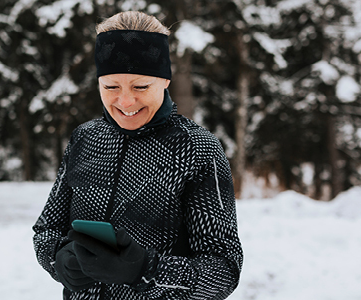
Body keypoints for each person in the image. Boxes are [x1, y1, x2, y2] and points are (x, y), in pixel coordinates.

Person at [33, 11, 243, 300]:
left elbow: (223, 271)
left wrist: (145, 269)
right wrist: (58, 259)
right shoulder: (85, 138)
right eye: (111, 87)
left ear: (165, 81)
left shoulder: (197, 148)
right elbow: (47, 229)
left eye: (141, 86)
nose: (126, 101)